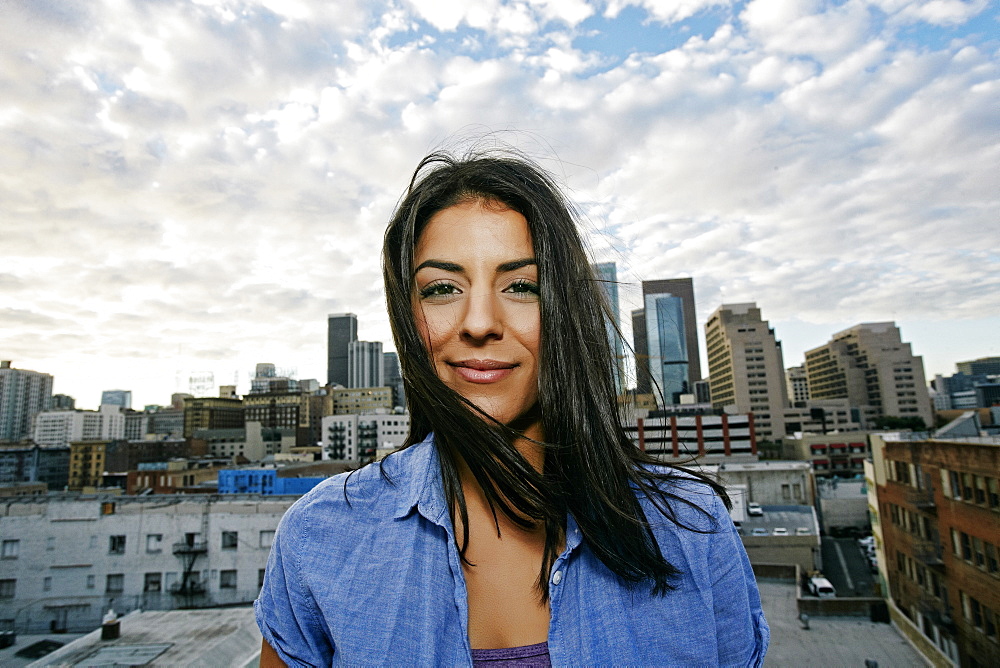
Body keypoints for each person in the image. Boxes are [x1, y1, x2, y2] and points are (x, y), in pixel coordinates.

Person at [256, 149, 769, 666]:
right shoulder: (319, 538)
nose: (480, 321)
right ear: (408, 318)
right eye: (441, 289)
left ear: (562, 310)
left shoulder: (690, 529)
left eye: (521, 286)